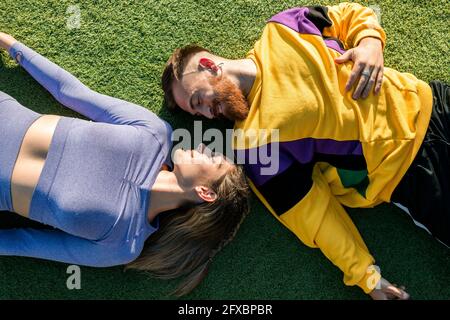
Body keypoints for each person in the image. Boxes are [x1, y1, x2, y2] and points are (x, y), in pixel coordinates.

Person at [162, 2, 449, 299]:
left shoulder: (283, 29)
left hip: (433, 102)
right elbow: (314, 215)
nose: (208, 115)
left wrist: (370, 40)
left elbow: (354, 13)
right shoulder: (252, 147)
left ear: (208, 65)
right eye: (198, 115)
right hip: (414, 177)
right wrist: (368, 277)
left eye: (198, 100)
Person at [0, 32, 250, 296]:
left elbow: (22, 242)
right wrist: (10, 44)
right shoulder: (154, 132)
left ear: (205, 192)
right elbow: (71, 92)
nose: (202, 146)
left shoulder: (122, 244)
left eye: (213, 158)